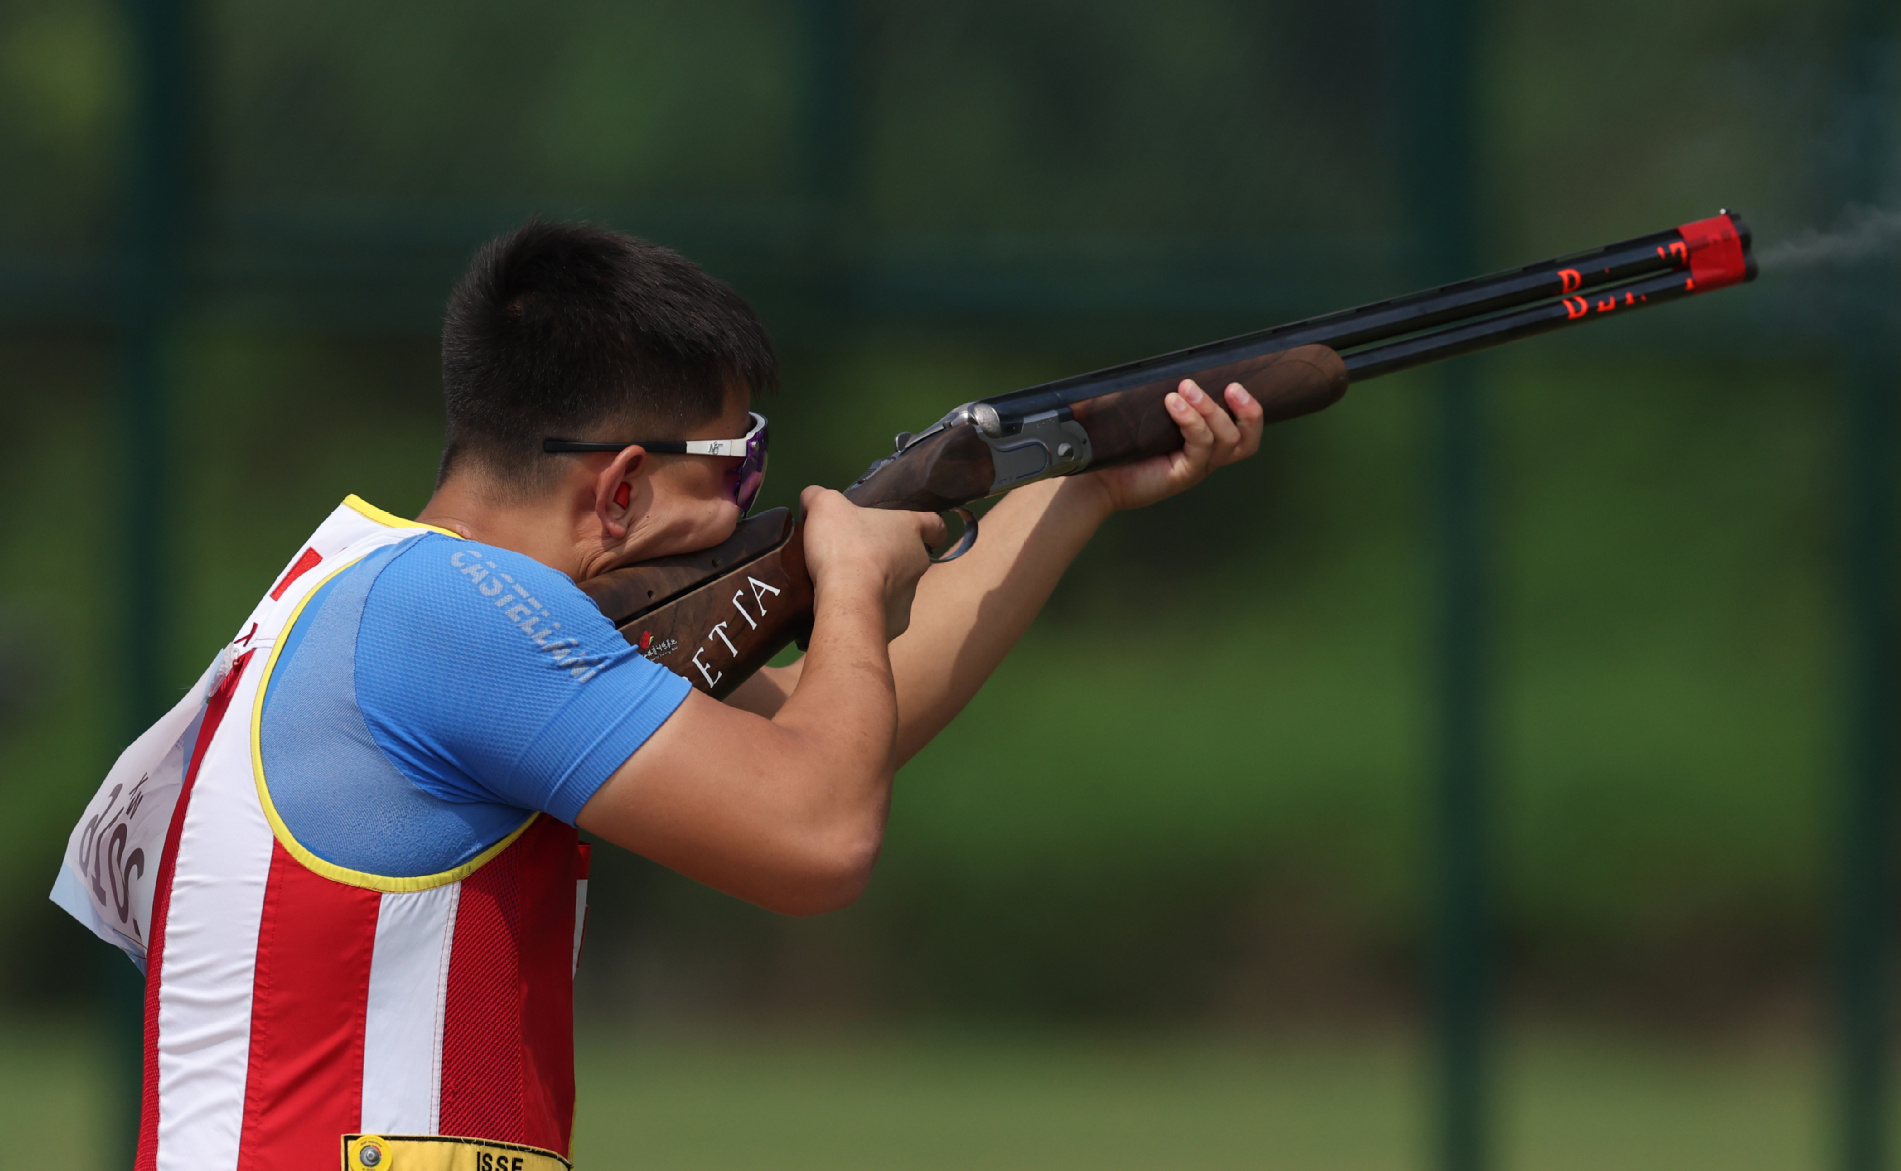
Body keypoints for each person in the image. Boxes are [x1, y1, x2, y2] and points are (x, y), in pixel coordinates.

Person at [53, 220, 1266, 1171]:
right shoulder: (450, 612)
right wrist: (847, 581)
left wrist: (1076, 487)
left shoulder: (385, 596)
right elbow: (817, 832)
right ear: (623, 488)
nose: (753, 503)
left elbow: (829, 732)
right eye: (737, 465)